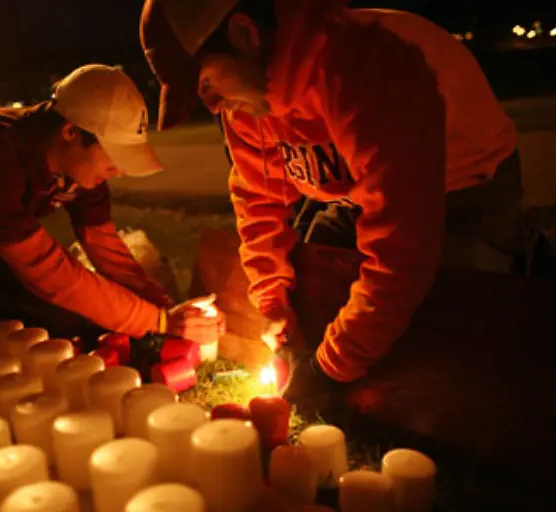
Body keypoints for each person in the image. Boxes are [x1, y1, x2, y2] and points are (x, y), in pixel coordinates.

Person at [140, 0, 531, 403]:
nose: (213, 106)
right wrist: (274, 302)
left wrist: (329, 368)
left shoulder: (371, 65)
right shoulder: (246, 99)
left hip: (464, 188)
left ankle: (518, 250)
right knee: (317, 286)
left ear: (245, 35)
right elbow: (258, 202)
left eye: (206, 83)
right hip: (353, 197)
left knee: (455, 330)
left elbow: (401, 252)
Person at [0, 64, 223, 344]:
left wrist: (164, 308)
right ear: (70, 133)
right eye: (113, 156)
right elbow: (46, 269)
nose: (119, 171)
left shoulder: (81, 168)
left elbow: (105, 247)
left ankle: (4, 319)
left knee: (65, 321)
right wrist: (157, 323)